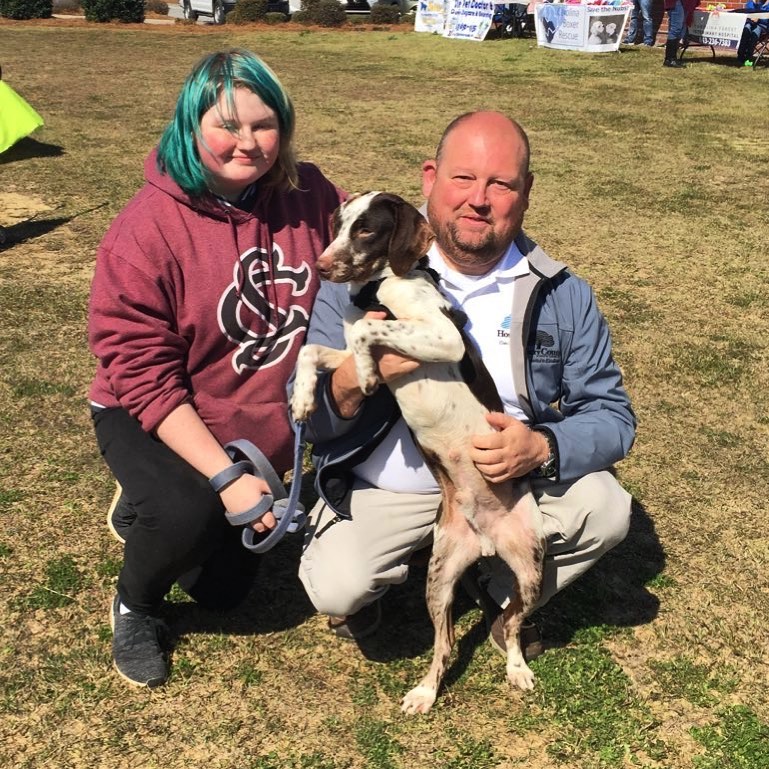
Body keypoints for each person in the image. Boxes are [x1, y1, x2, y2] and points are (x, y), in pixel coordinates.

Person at [293, 111, 636, 657]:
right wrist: (358, 381)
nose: (479, 198)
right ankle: (395, 573)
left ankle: (502, 596)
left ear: (525, 193)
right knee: (339, 584)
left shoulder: (562, 292)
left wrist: (542, 446)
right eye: (463, 178)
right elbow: (314, 421)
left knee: (607, 507)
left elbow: (613, 417)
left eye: (501, 183)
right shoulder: (362, 274)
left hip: (508, 479)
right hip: (391, 486)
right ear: (430, 178)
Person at [87, 49, 344, 688]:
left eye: (264, 124)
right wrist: (226, 476)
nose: (248, 142)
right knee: (185, 512)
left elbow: (362, 248)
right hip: (152, 408)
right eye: (226, 124)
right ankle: (136, 605)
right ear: (190, 124)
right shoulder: (145, 229)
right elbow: (140, 371)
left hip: (251, 414)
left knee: (225, 592)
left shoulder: (310, 196)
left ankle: (165, 510)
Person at [662, 0, 697, 67]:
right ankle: (670, 59)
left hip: (681, 3)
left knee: (678, 30)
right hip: (676, 2)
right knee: (675, 29)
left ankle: (671, 58)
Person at [736, 0, 769, 66]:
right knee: (746, 28)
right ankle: (740, 56)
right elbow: (747, 13)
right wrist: (754, 3)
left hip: (762, 26)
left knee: (755, 31)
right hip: (751, 23)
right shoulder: (751, 2)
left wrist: (759, 18)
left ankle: (748, 58)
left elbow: (766, 20)